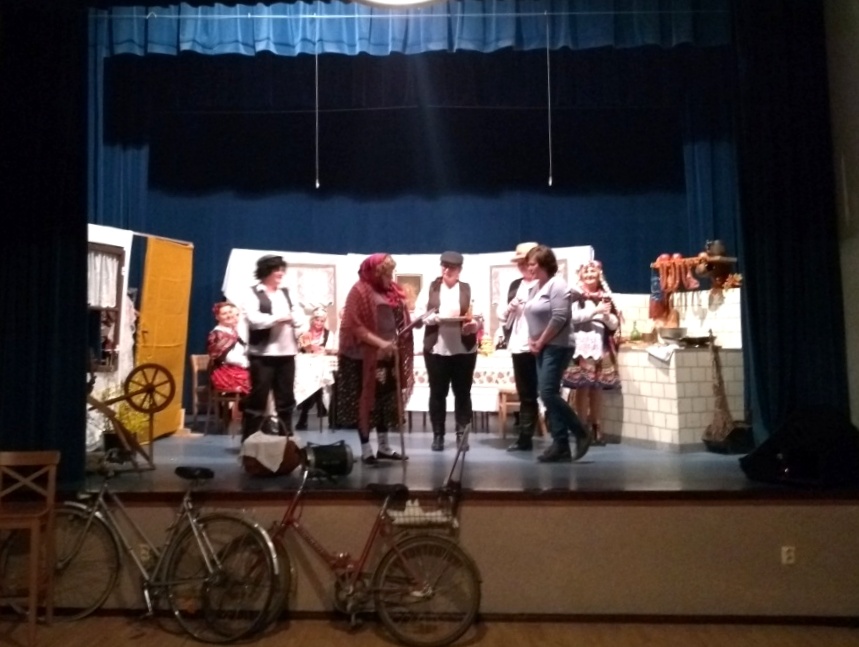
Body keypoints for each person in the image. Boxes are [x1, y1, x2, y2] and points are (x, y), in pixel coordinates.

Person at [338, 254, 414, 464]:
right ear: (375, 274)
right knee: (365, 401)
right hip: (362, 357)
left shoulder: (391, 291)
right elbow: (354, 326)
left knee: (385, 400)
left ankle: (384, 447)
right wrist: (380, 343)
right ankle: (366, 449)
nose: (391, 278)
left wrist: (407, 328)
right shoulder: (359, 291)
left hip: (387, 353)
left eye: (391, 273)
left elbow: (399, 319)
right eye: (387, 274)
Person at [523, 245, 591, 462]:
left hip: (557, 345)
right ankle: (561, 445)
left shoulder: (557, 285)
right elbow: (533, 317)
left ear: (544, 264)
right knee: (548, 393)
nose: (529, 268)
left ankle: (580, 432)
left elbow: (560, 318)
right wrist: (532, 340)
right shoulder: (536, 288)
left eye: (532, 264)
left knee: (547, 392)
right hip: (543, 346)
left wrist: (541, 341)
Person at [414, 251, 482, 451]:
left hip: (464, 350)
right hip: (436, 349)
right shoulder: (431, 288)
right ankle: (438, 435)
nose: (446, 270)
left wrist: (474, 326)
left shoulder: (468, 289)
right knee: (437, 393)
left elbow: (478, 316)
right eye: (444, 266)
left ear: (459, 270)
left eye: (451, 267)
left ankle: (462, 435)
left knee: (463, 393)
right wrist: (432, 318)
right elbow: (419, 314)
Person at [240, 254, 307, 440]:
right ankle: (250, 441)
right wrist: (279, 318)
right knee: (258, 399)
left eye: (282, 269)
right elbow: (254, 319)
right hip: (262, 355)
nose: (280, 273)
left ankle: (287, 440)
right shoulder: (252, 293)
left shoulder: (287, 293)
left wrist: (297, 323)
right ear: (266, 271)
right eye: (277, 269)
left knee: (286, 399)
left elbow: (299, 316)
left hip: (287, 353)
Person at [563, 260, 621, 445]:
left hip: (599, 346)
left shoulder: (605, 297)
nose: (589, 276)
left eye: (593, 273)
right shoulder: (575, 296)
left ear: (599, 275)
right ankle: (581, 428)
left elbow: (614, 324)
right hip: (581, 347)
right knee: (582, 388)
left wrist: (606, 317)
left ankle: (596, 426)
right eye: (586, 273)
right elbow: (570, 318)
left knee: (597, 388)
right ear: (581, 276)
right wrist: (595, 311)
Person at [497, 242, 540, 451]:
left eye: (526, 262)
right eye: (520, 263)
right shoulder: (515, 285)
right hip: (519, 344)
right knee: (525, 392)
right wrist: (510, 308)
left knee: (547, 392)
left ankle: (561, 438)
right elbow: (501, 316)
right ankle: (525, 438)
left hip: (540, 344)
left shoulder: (545, 284)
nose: (522, 266)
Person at [295, 306, 333, 430]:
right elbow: (303, 348)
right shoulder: (305, 333)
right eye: (317, 320)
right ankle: (318, 403)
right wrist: (310, 348)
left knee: (318, 378)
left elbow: (330, 349)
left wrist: (324, 350)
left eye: (322, 321)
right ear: (312, 320)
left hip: (321, 364)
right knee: (307, 379)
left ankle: (305, 414)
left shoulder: (328, 334)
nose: (319, 323)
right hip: (305, 363)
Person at [207, 301, 251, 395]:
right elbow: (228, 357)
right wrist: (247, 363)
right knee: (257, 380)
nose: (229, 315)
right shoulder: (217, 334)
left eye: (230, 312)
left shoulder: (232, 331)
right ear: (217, 317)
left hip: (238, 368)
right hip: (224, 372)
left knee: (262, 375)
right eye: (224, 313)